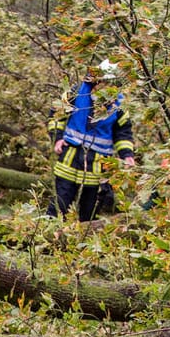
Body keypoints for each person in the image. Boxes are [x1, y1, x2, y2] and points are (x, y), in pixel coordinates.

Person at [47, 59, 136, 222]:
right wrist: (57, 139)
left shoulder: (120, 105)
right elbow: (56, 115)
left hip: (97, 166)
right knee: (58, 207)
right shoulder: (75, 92)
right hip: (69, 159)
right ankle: (45, 240)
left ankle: (79, 243)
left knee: (89, 214)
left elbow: (123, 132)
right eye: (102, 82)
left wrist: (127, 154)